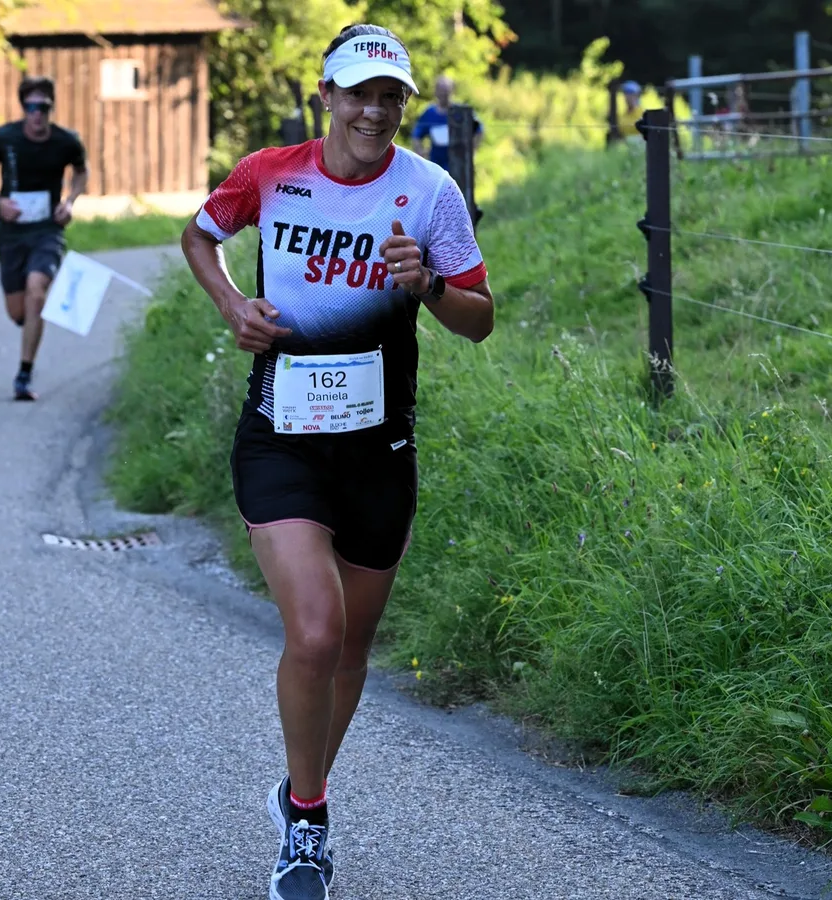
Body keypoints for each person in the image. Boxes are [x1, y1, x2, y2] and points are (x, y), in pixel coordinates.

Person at [180, 22, 493, 900]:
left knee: (352, 644)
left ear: (403, 105)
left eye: (390, 96)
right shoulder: (271, 173)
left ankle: (297, 787)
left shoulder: (431, 193)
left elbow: (480, 316)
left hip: (379, 448)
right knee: (314, 629)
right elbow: (199, 236)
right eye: (358, 93)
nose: (373, 111)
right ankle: (308, 820)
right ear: (326, 96)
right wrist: (234, 306)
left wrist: (428, 286)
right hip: (282, 434)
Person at [0, 76, 88, 401]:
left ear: (51, 108)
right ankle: (29, 322)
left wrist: (69, 202)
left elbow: (81, 172)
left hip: (48, 230)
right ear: (23, 107)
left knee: (36, 292)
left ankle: (23, 374)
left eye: (43, 107)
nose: (37, 114)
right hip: (11, 232)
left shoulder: (66, 141)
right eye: (30, 107)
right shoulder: (4, 138)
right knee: (18, 311)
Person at [411, 74, 483, 171]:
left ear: (452, 91)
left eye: (446, 91)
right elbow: (416, 135)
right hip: (436, 167)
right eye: (441, 90)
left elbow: (479, 129)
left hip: (458, 167)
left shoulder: (460, 112)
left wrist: (472, 152)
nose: (443, 94)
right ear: (435, 91)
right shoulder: (429, 113)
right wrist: (420, 154)